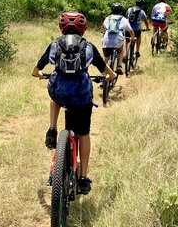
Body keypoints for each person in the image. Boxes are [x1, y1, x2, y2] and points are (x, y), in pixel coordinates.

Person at [32, 11, 116, 195]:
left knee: (54, 93)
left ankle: (52, 129)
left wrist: (39, 74)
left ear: (61, 28)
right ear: (83, 29)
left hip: (61, 94)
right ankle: (84, 177)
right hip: (81, 96)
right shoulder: (89, 47)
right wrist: (111, 75)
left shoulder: (55, 44)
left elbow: (36, 69)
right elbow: (105, 70)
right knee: (84, 134)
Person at [101, 3, 135, 75]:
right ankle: (119, 65)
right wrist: (132, 38)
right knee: (121, 48)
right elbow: (131, 31)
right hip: (118, 40)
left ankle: (103, 77)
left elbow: (103, 28)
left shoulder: (107, 18)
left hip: (106, 40)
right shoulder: (123, 19)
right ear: (121, 11)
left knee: (106, 59)